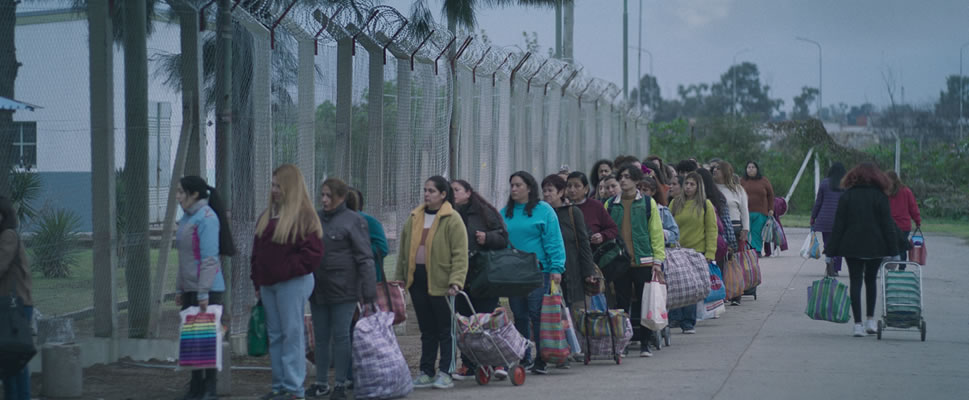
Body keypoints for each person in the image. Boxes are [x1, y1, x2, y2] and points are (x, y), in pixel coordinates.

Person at [250, 164, 324, 400]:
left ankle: (294, 390)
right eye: (272, 185)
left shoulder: (304, 217)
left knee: (292, 334)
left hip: (292, 283)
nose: (273, 190)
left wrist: (285, 269)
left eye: (278, 186)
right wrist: (258, 281)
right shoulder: (267, 216)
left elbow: (312, 254)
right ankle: (280, 386)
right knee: (276, 335)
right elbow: (257, 253)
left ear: (290, 187)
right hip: (268, 284)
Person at [394, 176, 469, 389]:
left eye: (432, 191)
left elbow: (460, 254)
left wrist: (456, 281)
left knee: (446, 329)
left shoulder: (452, 218)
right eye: (425, 190)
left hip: (443, 283)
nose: (427, 194)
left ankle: (446, 371)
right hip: (417, 281)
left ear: (443, 194)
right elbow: (403, 251)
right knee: (427, 330)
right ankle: (426, 371)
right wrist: (400, 278)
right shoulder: (414, 217)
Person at [307, 178, 376, 400]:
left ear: (341, 197)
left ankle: (340, 383)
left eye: (329, 196)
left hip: (344, 289)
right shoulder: (315, 218)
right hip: (318, 288)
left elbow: (365, 258)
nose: (324, 200)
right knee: (320, 337)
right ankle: (321, 383)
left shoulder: (354, 221)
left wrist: (369, 293)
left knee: (341, 336)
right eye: (322, 195)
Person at [173, 177, 235, 400]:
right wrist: (180, 289)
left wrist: (202, 293)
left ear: (194, 195)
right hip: (191, 288)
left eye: (181, 192)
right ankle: (196, 386)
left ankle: (210, 388)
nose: (178, 197)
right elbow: (184, 258)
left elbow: (209, 259)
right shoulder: (187, 218)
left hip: (207, 290)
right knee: (193, 339)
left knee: (207, 339)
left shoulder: (207, 218)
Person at [501, 171, 566, 374]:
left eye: (518, 185)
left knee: (537, 313)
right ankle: (524, 356)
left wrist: (556, 267)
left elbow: (553, 240)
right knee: (519, 314)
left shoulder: (543, 210)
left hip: (539, 271)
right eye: (512, 185)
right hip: (514, 273)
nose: (514, 189)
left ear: (529, 188)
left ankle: (541, 358)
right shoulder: (505, 213)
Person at [825, 163, 900, 337]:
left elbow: (838, 226)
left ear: (853, 177)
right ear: (877, 178)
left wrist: (830, 253)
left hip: (852, 246)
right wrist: (894, 251)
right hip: (876, 246)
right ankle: (870, 321)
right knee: (871, 280)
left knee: (855, 281)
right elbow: (888, 226)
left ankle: (857, 325)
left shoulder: (847, 196)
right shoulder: (880, 197)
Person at [449, 179, 509, 380]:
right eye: (450, 190)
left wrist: (487, 238)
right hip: (461, 276)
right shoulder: (448, 214)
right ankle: (469, 365)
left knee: (486, 319)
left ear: (468, 192)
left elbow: (503, 238)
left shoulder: (484, 212)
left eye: (457, 190)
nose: (453, 193)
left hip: (485, 276)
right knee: (465, 322)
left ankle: (499, 361)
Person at [603, 164, 665, 356]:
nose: (623, 180)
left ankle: (645, 343)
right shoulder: (610, 204)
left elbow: (656, 233)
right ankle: (623, 343)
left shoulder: (647, 203)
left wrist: (657, 261)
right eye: (621, 177)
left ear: (637, 180)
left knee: (645, 303)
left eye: (628, 177)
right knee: (621, 305)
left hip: (643, 261)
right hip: (619, 262)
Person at [342, 187, 388, 390]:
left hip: (365, 284)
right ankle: (349, 375)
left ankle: (364, 374)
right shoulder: (333, 223)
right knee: (347, 330)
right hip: (342, 284)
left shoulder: (369, 222)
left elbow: (382, 248)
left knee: (362, 329)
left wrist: (357, 255)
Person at [669, 172, 718, 334]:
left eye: (692, 184)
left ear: (698, 187)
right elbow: (667, 224)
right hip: (676, 251)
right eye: (686, 184)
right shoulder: (675, 203)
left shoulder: (705, 204)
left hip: (696, 252)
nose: (688, 187)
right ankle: (674, 317)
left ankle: (688, 322)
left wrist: (710, 252)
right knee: (677, 285)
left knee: (691, 287)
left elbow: (711, 229)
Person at [542, 174, 596, 309]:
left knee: (576, 309)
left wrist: (589, 271)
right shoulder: (541, 214)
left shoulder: (572, 212)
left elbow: (583, 242)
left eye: (550, 190)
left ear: (561, 192)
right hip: (548, 269)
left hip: (573, 269)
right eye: (544, 191)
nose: (546, 194)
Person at [0, 197, 32, 400]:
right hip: (9, 306)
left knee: (16, 359)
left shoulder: (8, 236)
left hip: (15, 306)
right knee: (8, 360)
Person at [565, 171, 618, 249]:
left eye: (577, 186)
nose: (572, 190)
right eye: (569, 186)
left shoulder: (596, 206)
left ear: (586, 189)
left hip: (593, 252)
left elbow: (613, 229)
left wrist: (602, 236)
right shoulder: (564, 208)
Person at [811, 162, 846, 277]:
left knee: (827, 244)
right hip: (840, 220)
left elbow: (818, 202)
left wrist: (813, 217)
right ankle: (836, 268)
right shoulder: (845, 184)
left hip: (825, 220)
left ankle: (829, 263)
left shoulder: (824, 183)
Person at [347, 187, 389, 281]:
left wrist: (355, 252)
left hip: (368, 279)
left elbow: (382, 248)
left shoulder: (369, 221)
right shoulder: (335, 221)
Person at [886, 171, 921, 270]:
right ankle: (902, 267)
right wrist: (917, 220)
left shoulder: (885, 192)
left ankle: (889, 267)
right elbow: (913, 208)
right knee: (902, 247)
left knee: (890, 247)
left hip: (889, 225)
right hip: (904, 225)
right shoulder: (906, 191)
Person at [741, 161, 775, 256]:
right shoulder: (741, 181)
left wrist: (771, 209)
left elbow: (770, 195)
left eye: (753, 167)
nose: (751, 169)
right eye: (749, 167)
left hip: (761, 212)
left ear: (757, 169)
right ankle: (747, 251)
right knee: (746, 232)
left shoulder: (764, 181)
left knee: (757, 232)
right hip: (745, 212)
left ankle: (757, 250)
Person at [715, 161, 750, 251]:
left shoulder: (738, 189)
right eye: (714, 168)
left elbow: (744, 210)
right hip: (718, 228)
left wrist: (745, 228)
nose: (715, 170)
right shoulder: (712, 188)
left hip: (735, 228)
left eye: (718, 168)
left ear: (726, 171)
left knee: (735, 256)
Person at [639, 176, 680, 247]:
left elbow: (675, 234)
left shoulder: (662, 211)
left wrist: (661, 233)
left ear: (653, 192)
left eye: (645, 190)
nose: (640, 193)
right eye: (638, 189)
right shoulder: (631, 208)